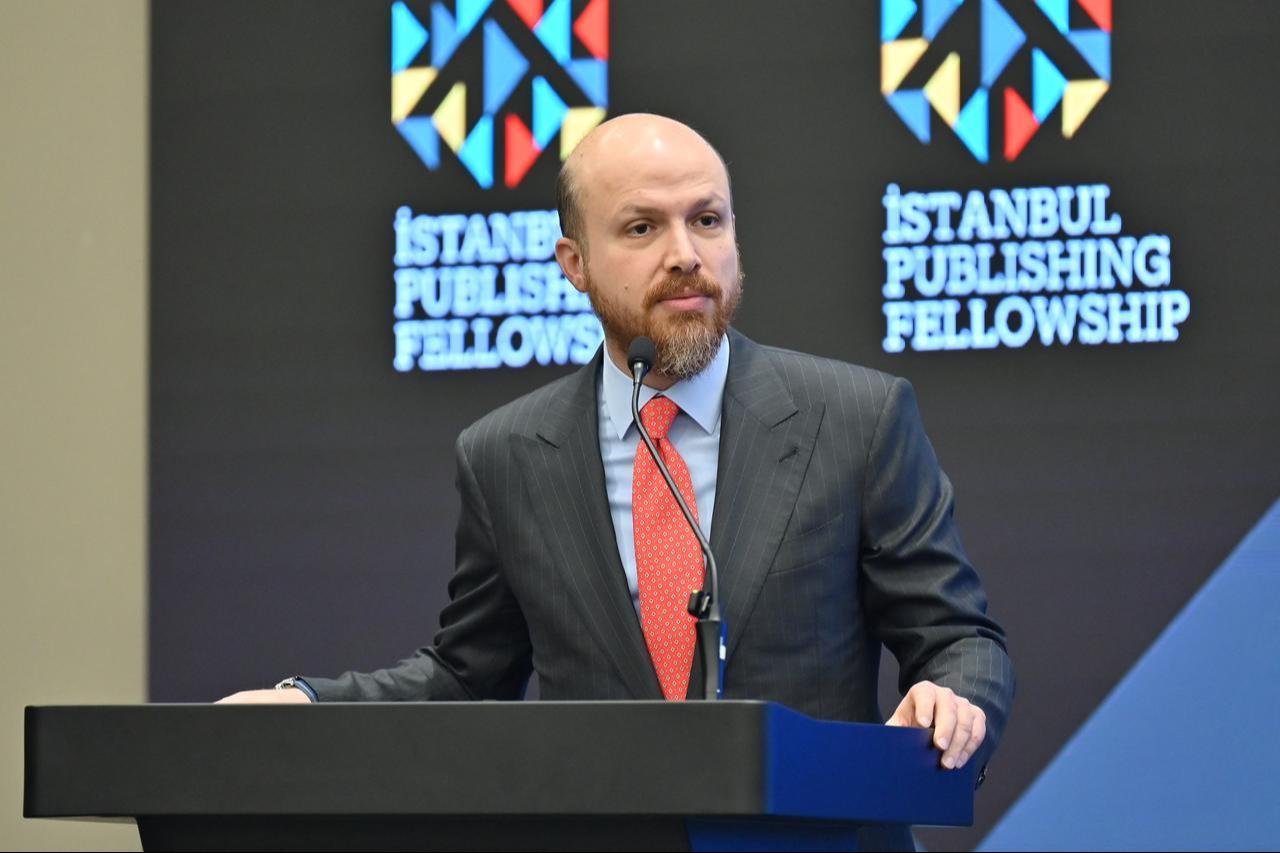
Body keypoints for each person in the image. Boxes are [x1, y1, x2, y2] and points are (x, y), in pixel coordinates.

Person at [220, 114, 1014, 843]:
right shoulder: (507, 453)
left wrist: (956, 697)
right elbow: (468, 675)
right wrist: (311, 704)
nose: (685, 254)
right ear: (574, 262)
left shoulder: (856, 418)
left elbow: (956, 637)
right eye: (642, 227)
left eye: (707, 219)